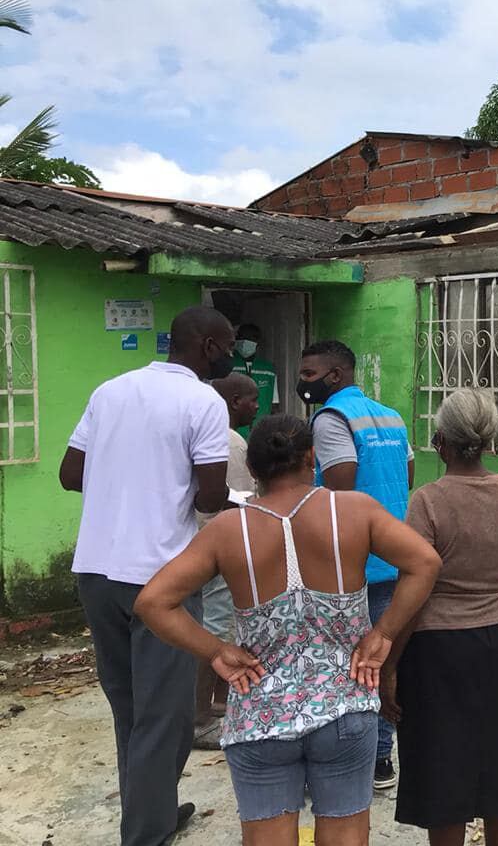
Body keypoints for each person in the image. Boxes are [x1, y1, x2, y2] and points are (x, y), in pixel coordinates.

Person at [135, 415, 440, 846]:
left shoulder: (228, 529)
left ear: (253, 470)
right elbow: (425, 562)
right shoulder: (354, 510)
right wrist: (383, 633)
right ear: (311, 458)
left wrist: (216, 651)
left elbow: (153, 601)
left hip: (261, 713)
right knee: (347, 835)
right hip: (345, 704)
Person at [59, 305, 236, 846]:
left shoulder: (110, 390)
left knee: (130, 708)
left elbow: (70, 475)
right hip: (162, 581)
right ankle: (146, 835)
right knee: (166, 717)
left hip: (96, 570)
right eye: (228, 344)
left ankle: (151, 812)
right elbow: (208, 496)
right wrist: (243, 505)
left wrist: (128, 477)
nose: (232, 353)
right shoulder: (203, 400)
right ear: (208, 346)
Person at [380, 389, 498, 846]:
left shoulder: (427, 502)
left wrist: (390, 665)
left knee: (440, 760)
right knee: (495, 754)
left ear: (440, 442)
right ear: (488, 440)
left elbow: (414, 592)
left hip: (437, 646)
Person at [298, 339, 413, 789]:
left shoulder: (330, 420)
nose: (303, 384)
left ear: (336, 376)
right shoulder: (389, 415)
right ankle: (382, 759)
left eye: (309, 375)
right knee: (384, 660)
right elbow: (405, 479)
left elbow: (338, 494)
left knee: (345, 663)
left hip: (350, 563)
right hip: (391, 553)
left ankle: (349, 761)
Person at [193, 373, 261, 751]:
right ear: (234, 401)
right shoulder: (231, 442)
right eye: (251, 400)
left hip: (202, 544)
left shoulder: (204, 434)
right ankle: (199, 718)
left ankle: (216, 704)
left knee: (214, 626)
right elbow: (241, 503)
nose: (256, 406)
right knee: (216, 633)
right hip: (222, 548)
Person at [232, 323, 279, 438]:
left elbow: (274, 405)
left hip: (261, 433)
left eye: (251, 338)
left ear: (258, 342)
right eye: (242, 337)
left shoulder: (268, 370)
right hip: (233, 433)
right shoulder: (227, 366)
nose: (245, 341)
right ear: (236, 340)